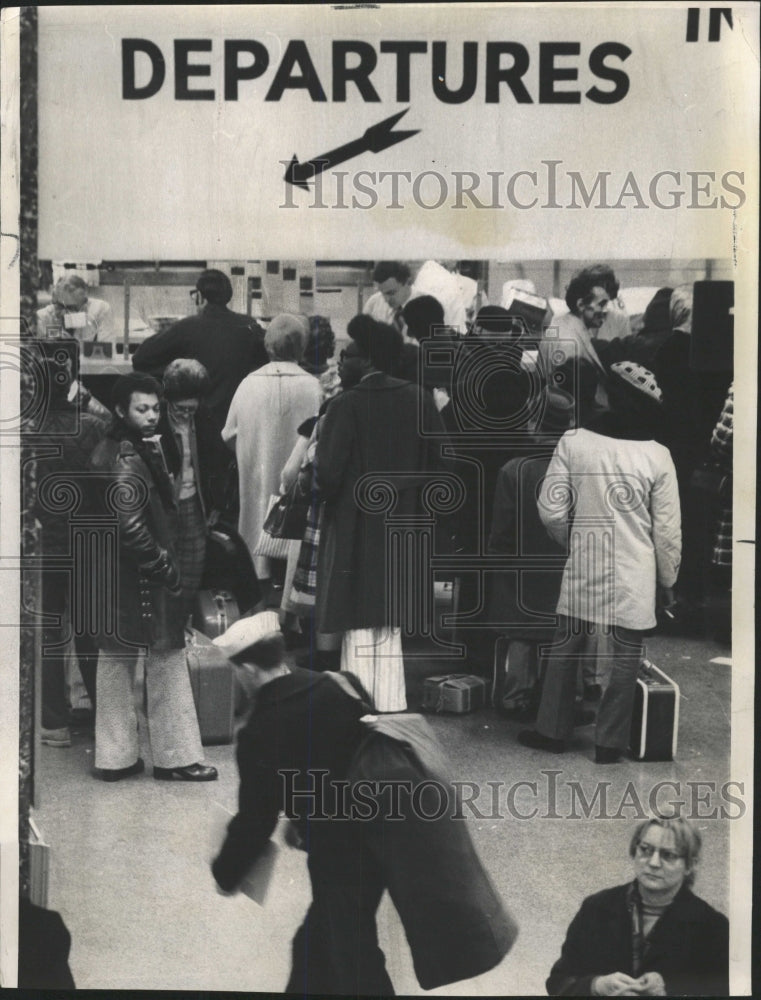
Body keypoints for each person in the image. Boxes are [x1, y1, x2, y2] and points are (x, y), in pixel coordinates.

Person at [210, 612, 517, 996]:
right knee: (318, 944)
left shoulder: (261, 730)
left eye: (237, 672)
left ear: (250, 669)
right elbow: (350, 756)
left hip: (338, 853)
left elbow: (254, 820)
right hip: (382, 835)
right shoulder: (338, 685)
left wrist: (227, 873)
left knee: (350, 954)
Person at [519, 362, 681, 763]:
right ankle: (609, 743)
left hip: (584, 559)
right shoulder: (658, 455)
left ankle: (552, 731)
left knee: (566, 645)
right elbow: (666, 532)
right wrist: (668, 579)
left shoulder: (575, 441)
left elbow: (551, 510)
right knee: (626, 654)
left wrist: (572, 539)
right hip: (635, 571)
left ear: (611, 395)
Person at [89, 373, 217, 782]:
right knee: (166, 662)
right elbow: (131, 527)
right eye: (141, 409)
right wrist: (165, 567)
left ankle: (115, 758)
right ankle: (177, 757)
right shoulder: (130, 458)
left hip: (114, 579)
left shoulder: (112, 448)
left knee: (114, 664)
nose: (151, 416)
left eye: (155, 408)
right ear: (121, 410)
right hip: (144, 580)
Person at [314, 317, 447, 710]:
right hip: (406, 519)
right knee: (390, 612)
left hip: (356, 519)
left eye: (348, 353)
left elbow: (328, 473)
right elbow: (444, 462)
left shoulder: (346, 404)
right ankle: (391, 699)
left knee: (357, 611)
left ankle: (359, 700)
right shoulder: (420, 398)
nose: (340, 360)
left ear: (369, 360)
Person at [546, 815, 729, 996]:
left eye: (668, 855)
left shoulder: (713, 927)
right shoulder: (596, 908)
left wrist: (668, 989)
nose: (653, 863)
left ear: (690, 865)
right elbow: (558, 982)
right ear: (634, 851)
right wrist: (597, 986)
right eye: (646, 850)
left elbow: (728, 990)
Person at [32, 354, 106, 746]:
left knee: (48, 634)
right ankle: (101, 718)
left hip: (44, 547)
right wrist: (89, 399)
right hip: (87, 544)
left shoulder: (26, 431)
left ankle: (54, 724)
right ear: (71, 385)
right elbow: (123, 428)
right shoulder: (93, 427)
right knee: (89, 633)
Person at [487, 387, 574, 717]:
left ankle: (515, 697)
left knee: (522, 633)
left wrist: (498, 561)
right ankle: (560, 697)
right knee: (562, 634)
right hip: (564, 568)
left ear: (534, 423)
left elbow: (502, 528)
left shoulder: (514, 469)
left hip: (521, 570)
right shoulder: (579, 469)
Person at [221, 314, 321, 584]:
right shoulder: (313, 387)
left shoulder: (248, 383)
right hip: (297, 491)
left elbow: (229, 434)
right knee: (294, 558)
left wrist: (250, 450)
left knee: (255, 546)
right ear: (302, 346)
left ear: (268, 345)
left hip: (256, 478)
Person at [132, 268, 268, 434]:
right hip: (237, 420)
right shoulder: (249, 326)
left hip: (196, 421)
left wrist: (176, 367)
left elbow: (140, 358)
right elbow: (267, 358)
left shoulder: (188, 326)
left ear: (199, 297)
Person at [158, 358, 213, 624]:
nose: (186, 415)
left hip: (194, 503)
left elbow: (217, 464)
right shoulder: (155, 420)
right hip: (165, 506)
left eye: (192, 409)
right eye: (180, 409)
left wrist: (215, 505)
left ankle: (181, 627)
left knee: (192, 572)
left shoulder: (204, 417)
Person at [540, 265, 621, 415]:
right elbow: (570, 403)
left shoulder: (558, 321)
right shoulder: (570, 346)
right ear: (581, 305)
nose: (606, 310)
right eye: (602, 304)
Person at [36, 273, 114, 342]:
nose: (65, 312)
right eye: (60, 306)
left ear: (84, 303)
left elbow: (107, 348)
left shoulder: (100, 309)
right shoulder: (43, 317)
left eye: (72, 308)